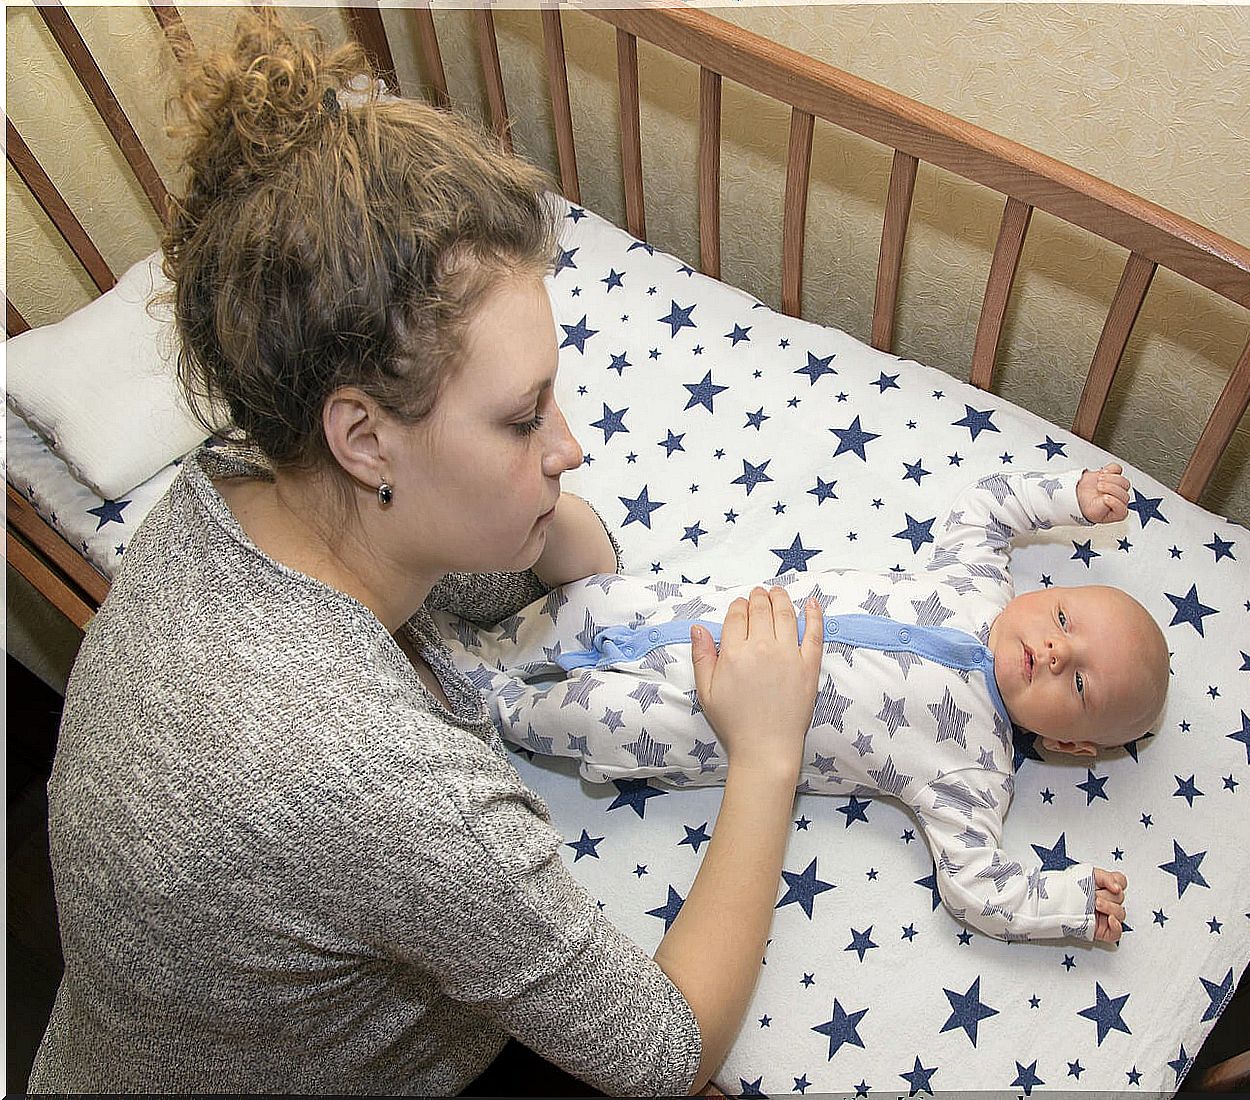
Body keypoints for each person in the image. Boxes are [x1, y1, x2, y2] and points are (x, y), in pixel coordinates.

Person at [29, 13, 823, 1096]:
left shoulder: (226, 485)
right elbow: (663, 1055)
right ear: (362, 436)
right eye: (519, 417)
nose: (571, 445)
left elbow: (470, 577)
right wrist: (768, 749)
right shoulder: (379, 779)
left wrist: (549, 526)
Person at [436, 464, 1168, 945]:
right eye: (1065, 619)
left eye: (1079, 685)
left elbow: (976, 887)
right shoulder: (976, 578)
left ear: (1071, 746)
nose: (1055, 650)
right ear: (1049, 595)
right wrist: (1070, 497)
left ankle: (494, 702)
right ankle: (471, 632)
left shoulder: (974, 775)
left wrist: (1065, 903)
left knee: (597, 717)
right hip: (688, 613)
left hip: (701, 721)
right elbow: (986, 505)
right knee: (589, 602)